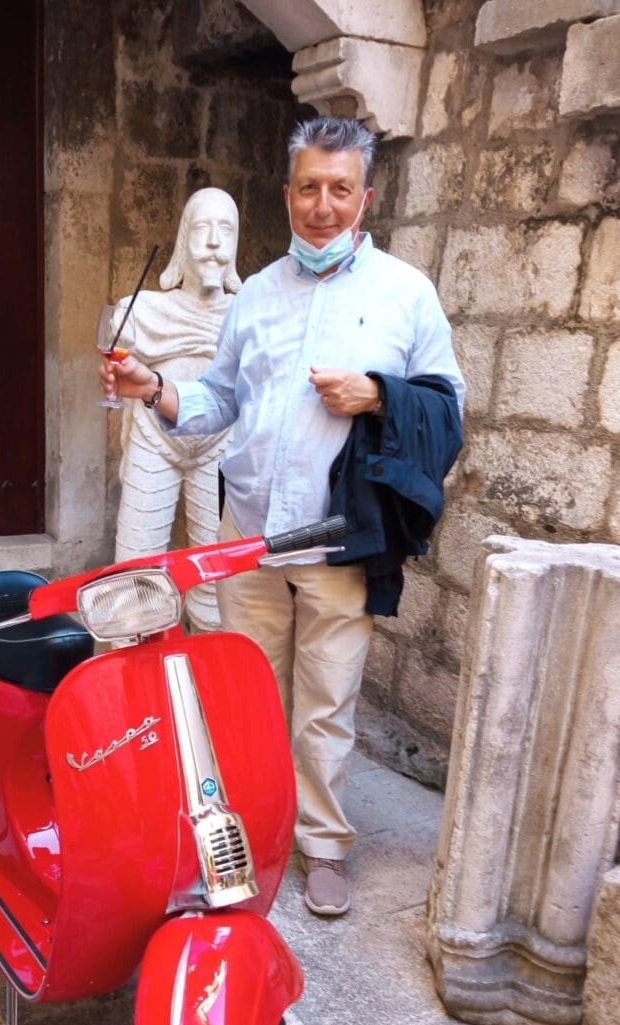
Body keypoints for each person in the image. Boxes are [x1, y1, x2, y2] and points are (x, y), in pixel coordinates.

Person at [100, 117, 465, 918]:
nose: (322, 206)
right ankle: (254, 825)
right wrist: (155, 389)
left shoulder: (405, 294)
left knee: (326, 702)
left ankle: (323, 844)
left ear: (366, 197)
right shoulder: (259, 294)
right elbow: (219, 400)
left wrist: (378, 395)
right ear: (289, 192)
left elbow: (448, 407)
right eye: (309, 187)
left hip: (340, 537)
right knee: (249, 697)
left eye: (340, 189)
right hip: (250, 536)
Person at [114, 188, 240, 632]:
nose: (213, 243)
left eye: (226, 230)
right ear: (184, 239)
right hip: (155, 439)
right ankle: (133, 661)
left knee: (216, 580)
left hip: (219, 443)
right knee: (135, 575)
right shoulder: (145, 311)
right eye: (202, 228)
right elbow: (118, 355)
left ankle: (208, 665)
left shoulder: (247, 314)